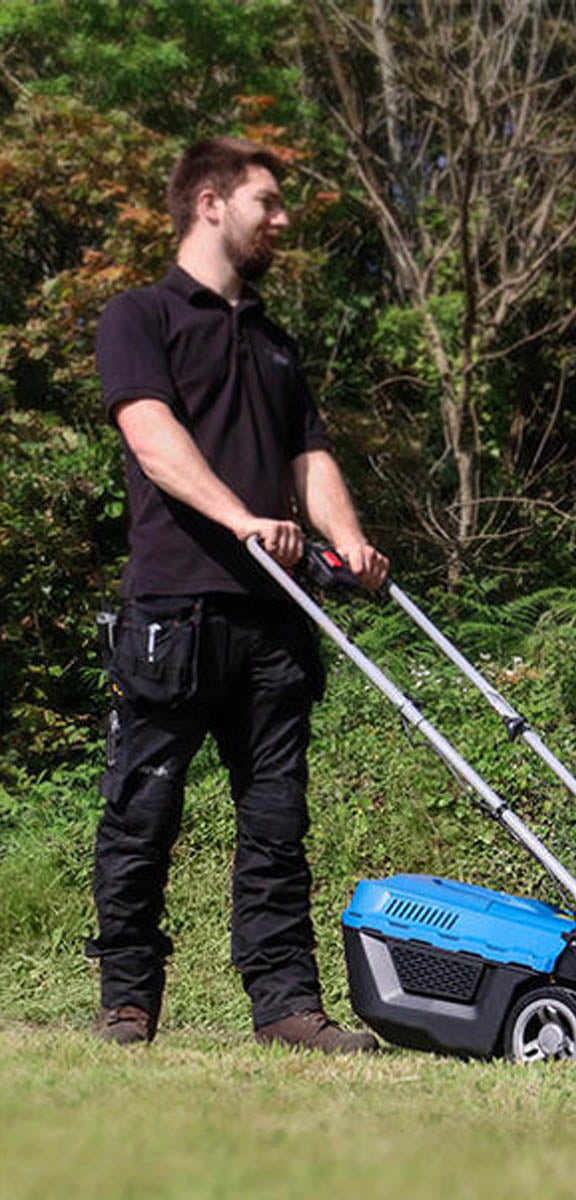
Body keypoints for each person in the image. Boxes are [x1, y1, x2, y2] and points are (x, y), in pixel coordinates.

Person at [87, 137, 388, 1053]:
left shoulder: (272, 338)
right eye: (269, 201)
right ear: (212, 203)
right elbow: (151, 437)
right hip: (174, 612)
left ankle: (288, 1008)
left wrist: (350, 543)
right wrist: (244, 520)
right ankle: (128, 1001)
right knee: (143, 812)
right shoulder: (138, 317)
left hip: (276, 620)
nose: (282, 219)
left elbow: (311, 457)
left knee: (276, 825)